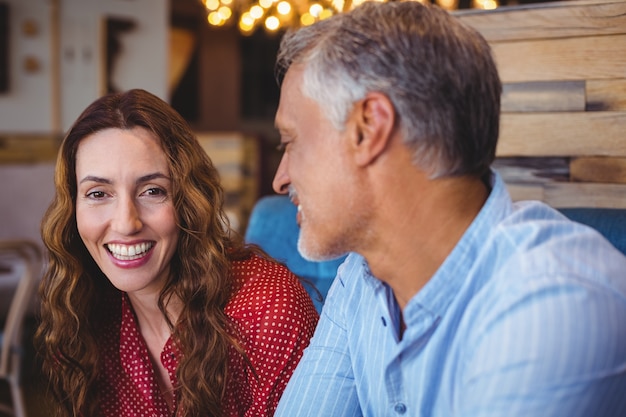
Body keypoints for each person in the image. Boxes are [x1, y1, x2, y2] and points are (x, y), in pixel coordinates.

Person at [271, 2, 626, 416]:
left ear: (369, 128)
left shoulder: (556, 304)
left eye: (290, 142)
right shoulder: (359, 278)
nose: (280, 179)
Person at [35, 88, 319, 417]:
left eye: (153, 191)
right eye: (98, 193)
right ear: (73, 210)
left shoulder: (266, 308)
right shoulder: (81, 311)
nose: (127, 223)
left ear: (187, 201)